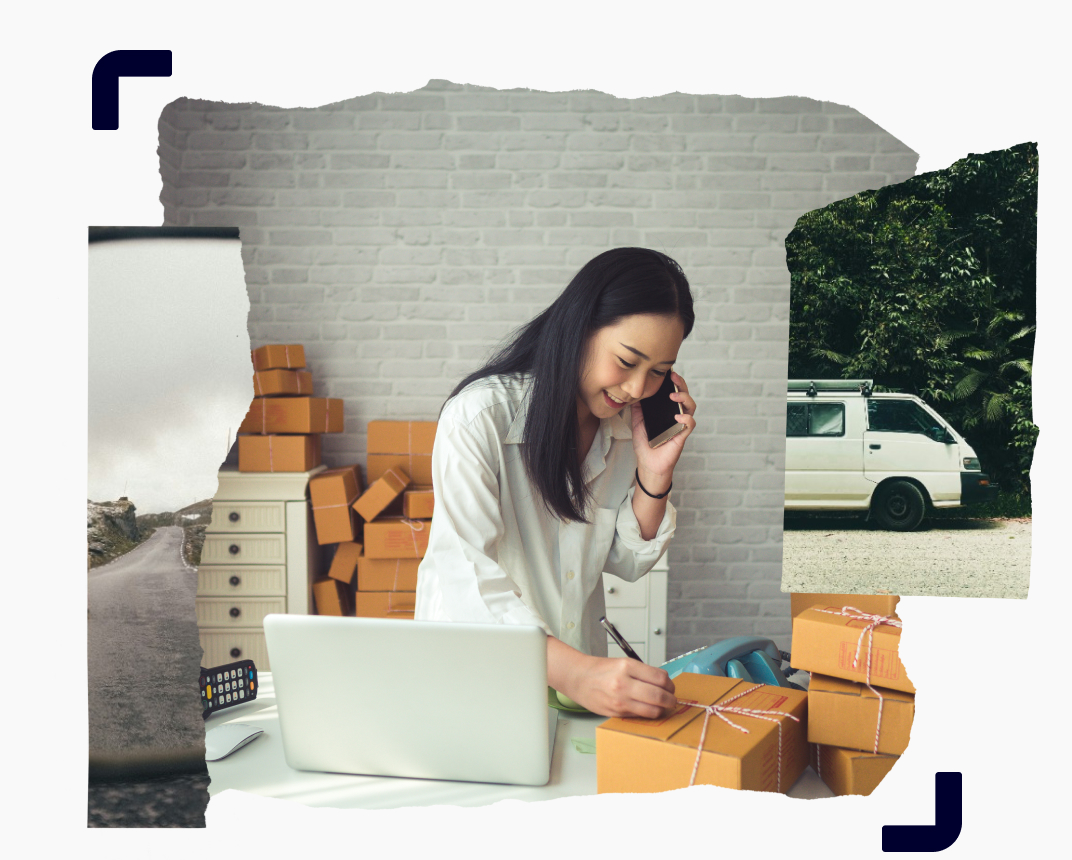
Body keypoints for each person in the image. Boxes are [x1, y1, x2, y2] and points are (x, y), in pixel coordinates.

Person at [414, 247, 697, 718]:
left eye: (659, 373)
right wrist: (578, 673)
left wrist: (655, 474)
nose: (635, 389)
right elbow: (466, 578)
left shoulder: (626, 429)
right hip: (477, 681)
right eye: (626, 361)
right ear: (579, 327)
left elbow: (626, 561)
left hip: (572, 693)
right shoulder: (479, 418)